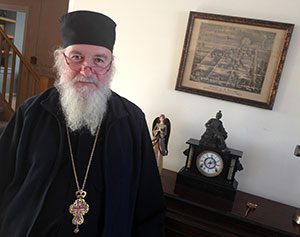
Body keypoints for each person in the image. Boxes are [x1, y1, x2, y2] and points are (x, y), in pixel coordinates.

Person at [0, 10, 165, 237]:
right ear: (61, 59)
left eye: (98, 59)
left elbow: (148, 205)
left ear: (110, 65)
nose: (87, 69)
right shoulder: (31, 113)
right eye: (77, 57)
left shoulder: (131, 121)